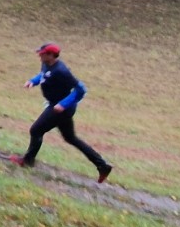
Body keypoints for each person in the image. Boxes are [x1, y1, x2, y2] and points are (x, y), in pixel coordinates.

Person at [8, 43, 113, 183]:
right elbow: (44, 75)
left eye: (43, 53)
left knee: (36, 130)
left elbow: (81, 90)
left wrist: (63, 104)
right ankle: (102, 165)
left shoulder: (62, 71)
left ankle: (27, 161)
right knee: (70, 138)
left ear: (51, 55)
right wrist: (33, 81)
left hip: (61, 109)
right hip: (56, 106)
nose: (40, 55)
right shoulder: (47, 64)